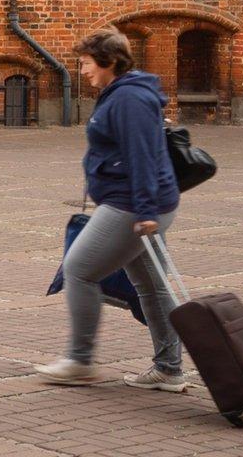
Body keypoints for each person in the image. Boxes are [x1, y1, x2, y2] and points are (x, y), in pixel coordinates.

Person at [38, 28, 185, 392]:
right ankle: (169, 368)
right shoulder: (123, 92)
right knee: (150, 286)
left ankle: (80, 361)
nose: (83, 70)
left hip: (132, 205)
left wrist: (145, 211)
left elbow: (142, 157)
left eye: (87, 63)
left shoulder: (129, 99)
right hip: (138, 202)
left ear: (108, 61)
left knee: (79, 270)